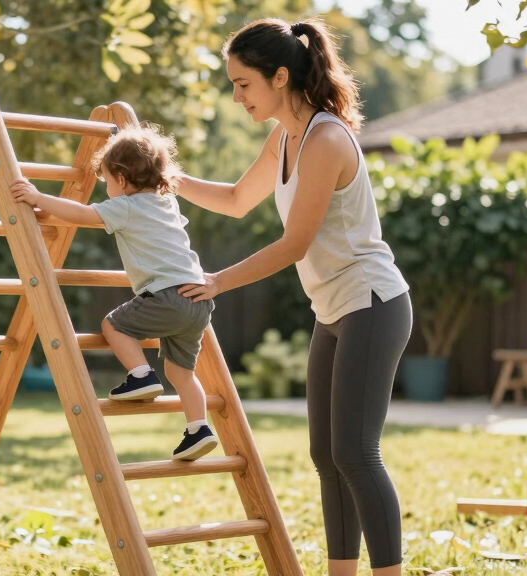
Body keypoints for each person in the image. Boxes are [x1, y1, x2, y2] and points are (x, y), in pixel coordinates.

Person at [176, 17, 413, 576]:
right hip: (333, 310)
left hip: (372, 303)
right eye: (233, 85)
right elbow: (237, 199)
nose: (237, 97)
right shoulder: (284, 136)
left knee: (356, 453)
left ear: (280, 76)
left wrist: (217, 281)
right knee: (327, 459)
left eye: (243, 84)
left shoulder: (326, 138)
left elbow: (294, 242)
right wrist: (166, 177)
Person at [10, 125, 219, 461]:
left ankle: (141, 376)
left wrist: (37, 198)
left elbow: (83, 214)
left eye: (107, 181)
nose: (107, 188)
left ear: (121, 179)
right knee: (182, 372)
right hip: (198, 300)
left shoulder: (126, 205)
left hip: (167, 295)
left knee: (114, 325)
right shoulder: (167, 203)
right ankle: (199, 428)